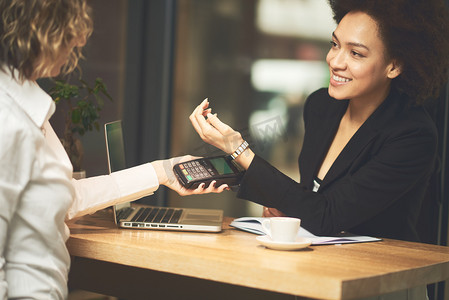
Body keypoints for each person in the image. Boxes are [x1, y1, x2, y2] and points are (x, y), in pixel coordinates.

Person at [0, 0, 227, 299]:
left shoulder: (27, 106)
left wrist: (161, 171)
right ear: (42, 30)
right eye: (72, 30)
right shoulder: (8, 119)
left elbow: (66, 198)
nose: (79, 43)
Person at [191, 0, 449, 243]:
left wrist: (239, 150)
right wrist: (287, 209)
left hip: (379, 281)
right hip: (318, 267)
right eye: (335, 44)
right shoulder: (321, 106)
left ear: (394, 66)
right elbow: (310, 202)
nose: (335, 61)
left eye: (356, 53)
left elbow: (328, 215)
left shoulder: (412, 135)